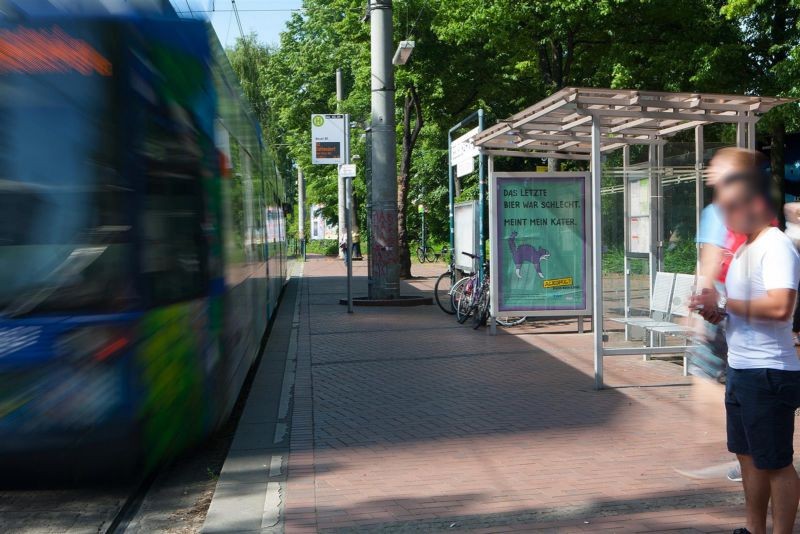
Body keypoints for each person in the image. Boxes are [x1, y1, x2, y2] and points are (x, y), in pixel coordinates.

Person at [692, 154, 800, 534]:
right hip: (742, 369)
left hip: (769, 372)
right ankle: (754, 530)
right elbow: (739, 309)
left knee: (775, 462)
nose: (725, 217)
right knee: (748, 457)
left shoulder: (775, 246)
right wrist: (714, 312)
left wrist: (722, 303)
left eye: (731, 208)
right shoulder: (742, 250)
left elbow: (781, 305)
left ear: (756, 204)